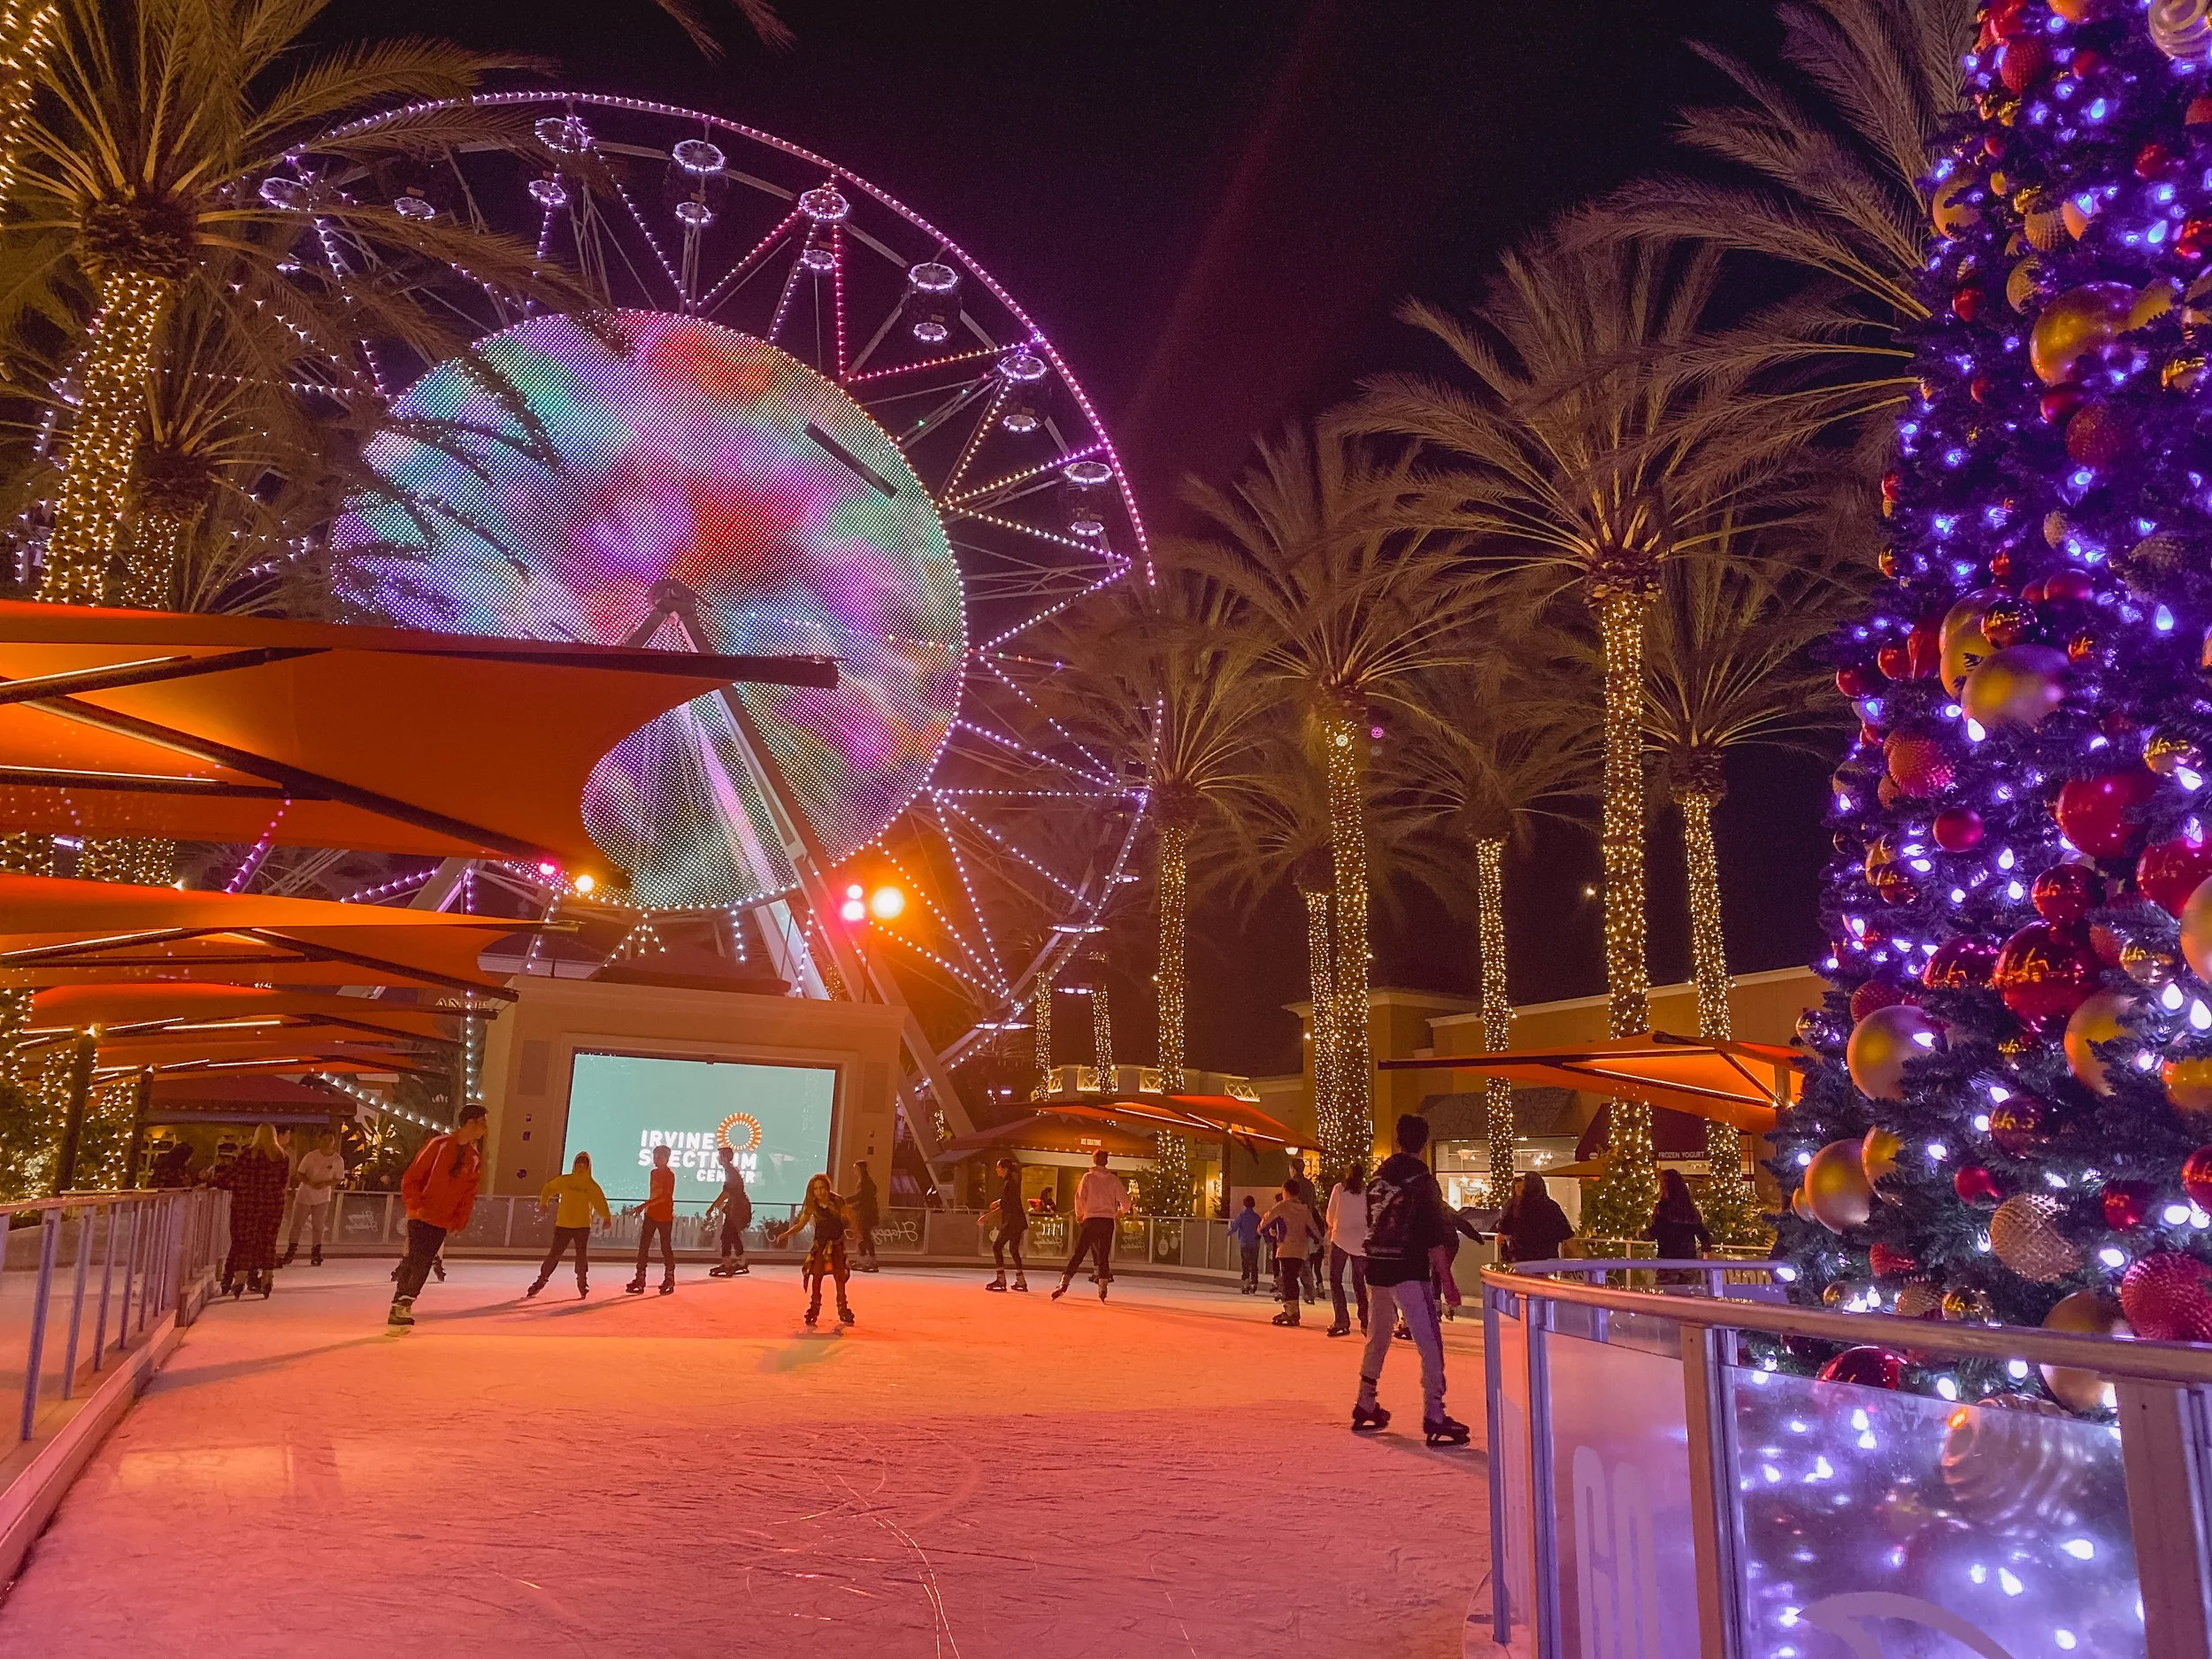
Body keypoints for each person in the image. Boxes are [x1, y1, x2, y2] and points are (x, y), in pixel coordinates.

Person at [1352, 1114, 1468, 1446]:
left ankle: (1365, 1401)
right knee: (1429, 1342)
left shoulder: (1378, 1179)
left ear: (1399, 1138)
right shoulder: (1422, 1181)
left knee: (1378, 1336)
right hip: (1409, 1271)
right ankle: (1434, 1412)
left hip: (1377, 1268)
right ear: (1425, 1143)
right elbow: (1433, 1237)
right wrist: (1447, 1282)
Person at [389, 1104, 488, 1329]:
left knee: (424, 1262)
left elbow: (468, 1193)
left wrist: (459, 1219)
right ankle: (399, 1303)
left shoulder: (473, 1158)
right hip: (421, 1214)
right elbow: (412, 1177)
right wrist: (416, 1204)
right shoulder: (439, 1145)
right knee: (417, 1258)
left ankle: (404, 1303)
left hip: (442, 1219)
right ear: (470, 1122)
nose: (484, 1128)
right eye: (482, 1122)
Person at [212, 1125, 289, 1298]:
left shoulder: (247, 1155)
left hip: (248, 1203)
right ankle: (267, 1278)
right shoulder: (282, 1157)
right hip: (273, 1203)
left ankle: (239, 1279)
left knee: (245, 1241)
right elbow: (283, 1182)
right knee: (268, 1241)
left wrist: (212, 1182)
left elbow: (233, 1174)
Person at [529, 1151, 611, 1298]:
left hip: (582, 1225)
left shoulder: (591, 1185)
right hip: (564, 1224)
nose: (581, 1166)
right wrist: (543, 1202)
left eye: (584, 1163)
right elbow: (548, 1188)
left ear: (588, 1166)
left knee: (581, 1255)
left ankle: (582, 1280)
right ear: (575, 1164)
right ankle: (541, 1280)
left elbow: (600, 1202)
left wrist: (607, 1217)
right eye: (579, 1163)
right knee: (554, 1254)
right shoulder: (565, 1180)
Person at [777, 1173, 856, 1326]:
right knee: (817, 1276)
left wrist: (858, 1235)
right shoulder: (812, 1206)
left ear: (828, 1188)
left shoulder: (837, 1201)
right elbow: (801, 1224)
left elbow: (850, 1217)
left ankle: (842, 1308)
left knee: (840, 1278)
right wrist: (787, 1234)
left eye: (822, 1188)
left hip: (837, 1245)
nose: (820, 1192)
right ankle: (814, 1307)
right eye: (816, 1189)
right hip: (820, 1246)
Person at [1052, 1149, 1128, 1302]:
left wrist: (1080, 1215)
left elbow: (1079, 1197)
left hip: (1091, 1220)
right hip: (1107, 1221)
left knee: (1079, 1252)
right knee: (1103, 1255)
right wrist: (1121, 1212)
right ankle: (1103, 1287)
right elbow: (1125, 1200)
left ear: (1094, 1160)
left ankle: (1064, 1282)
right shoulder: (1113, 1179)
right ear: (1106, 1161)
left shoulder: (1088, 1178)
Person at [280, 1130, 347, 1267]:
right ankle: (291, 1251)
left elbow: (338, 1177)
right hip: (305, 1195)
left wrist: (325, 1184)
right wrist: (309, 1182)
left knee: (318, 1225)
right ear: (319, 1140)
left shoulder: (337, 1160)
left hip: (322, 1197)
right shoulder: (311, 1156)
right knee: (296, 1224)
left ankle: (316, 1251)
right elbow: (300, 1173)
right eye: (325, 1139)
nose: (327, 1142)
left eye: (330, 1139)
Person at [1260, 1185, 1325, 1327]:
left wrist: (1260, 1228)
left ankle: (1291, 1311)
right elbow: (1313, 1226)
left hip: (1287, 1248)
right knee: (1292, 1278)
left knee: (1288, 1280)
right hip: (1300, 1249)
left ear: (1286, 1192)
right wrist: (1320, 1239)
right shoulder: (1304, 1208)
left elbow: (1268, 1216)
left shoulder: (1282, 1206)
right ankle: (1292, 1310)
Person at [625, 1143, 678, 1295]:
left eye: (659, 1156)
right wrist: (647, 1207)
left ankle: (669, 1277)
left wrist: (644, 1205)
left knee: (665, 1247)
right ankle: (640, 1278)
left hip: (665, 1215)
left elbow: (665, 1196)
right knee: (644, 1246)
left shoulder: (669, 1175)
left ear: (666, 1158)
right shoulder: (653, 1173)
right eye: (655, 1155)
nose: (656, 1159)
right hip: (651, 1214)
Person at [1325, 1164, 1371, 1339]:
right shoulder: (1366, 1192)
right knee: (1359, 1281)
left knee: (1335, 1279)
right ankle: (1365, 1322)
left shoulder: (1339, 1189)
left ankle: (1341, 1321)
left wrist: (1333, 1225)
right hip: (1361, 1240)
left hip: (1340, 1238)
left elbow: (1330, 1214)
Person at [1646, 1168, 1713, 1278]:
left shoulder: (1664, 1207)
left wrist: (1645, 1234)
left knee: (1668, 1291)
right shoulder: (1689, 1208)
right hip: (1688, 1260)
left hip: (1668, 1259)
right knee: (1687, 1291)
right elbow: (1702, 1232)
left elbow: (1658, 1229)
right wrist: (1706, 1248)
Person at [1500, 1171, 1576, 1266]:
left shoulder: (1515, 1206)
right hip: (1547, 1260)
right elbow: (1565, 1232)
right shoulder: (1551, 1206)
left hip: (1520, 1258)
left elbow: (1504, 1229)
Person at [703, 1144, 753, 1277]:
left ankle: (728, 1263)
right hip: (737, 1208)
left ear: (724, 1158)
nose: (718, 1159)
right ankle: (741, 1261)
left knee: (726, 1235)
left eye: (719, 1156)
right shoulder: (732, 1170)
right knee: (732, 1235)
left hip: (737, 1209)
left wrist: (712, 1206)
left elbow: (727, 1192)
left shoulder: (730, 1171)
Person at [986, 1155, 1028, 1292]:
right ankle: (1021, 1281)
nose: (996, 1170)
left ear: (1004, 1168)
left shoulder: (1009, 1183)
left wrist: (988, 1214)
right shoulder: (1013, 1182)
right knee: (1013, 1249)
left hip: (1012, 1221)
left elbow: (1007, 1203)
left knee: (997, 1247)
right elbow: (1010, 1201)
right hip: (1018, 1221)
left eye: (998, 1167)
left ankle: (1001, 1279)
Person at [1284, 1164, 1325, 1303]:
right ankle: (1309, 1291)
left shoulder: (1291, 1184)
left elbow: (1285, 1206)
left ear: (1293, 1169)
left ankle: (1289, 1295)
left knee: (1289, 1264)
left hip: (1293, 1228)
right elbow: (1312, 1205)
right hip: (1307, 1225)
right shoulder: (1310, 1185)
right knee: (1306, 1262)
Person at [1227, 1194, 1263, 1294]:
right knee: (1254, 1263)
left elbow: (1235, 1227)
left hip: (1244, 1243)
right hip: (1255, 1243)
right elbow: (1261, 1228)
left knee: (1245, 1263)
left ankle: (1246, 1282)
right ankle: (1254, 1282)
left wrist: (1228, 1233)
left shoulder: (1242, 1216)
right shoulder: (1256, 1217)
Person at [850, 1160, 882, 1271]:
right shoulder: (866, 1181)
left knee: (864, 1235)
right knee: (862, 1235)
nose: (855, 1171)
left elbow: (861, 1197)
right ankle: (864, 1259)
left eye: (856, 1168)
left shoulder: (865, 1182)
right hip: (866, 1212)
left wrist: (846, 1201)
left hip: (866, 1214)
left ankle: (870, 1259)